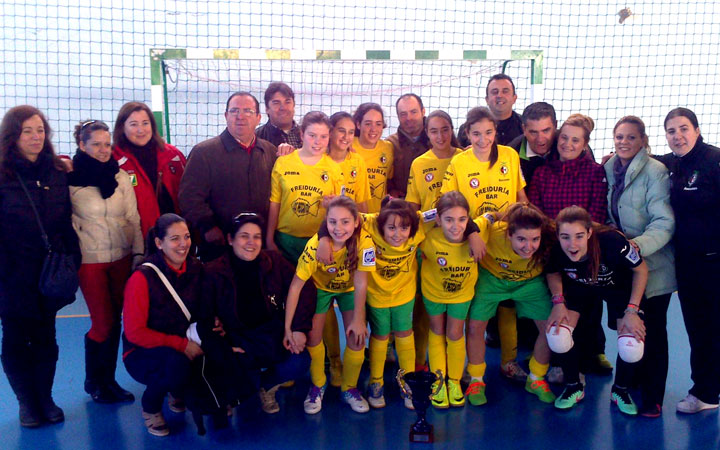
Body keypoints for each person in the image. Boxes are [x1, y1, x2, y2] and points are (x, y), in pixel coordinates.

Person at [0, 105, 80, 427]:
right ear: (13, 136)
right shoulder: (3, 175)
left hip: (49, 274)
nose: (35, 137)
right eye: (27, 131)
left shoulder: (57, 173)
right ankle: (26, 403)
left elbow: (65, 221)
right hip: (11, 276)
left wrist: (73, 258)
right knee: (16, 338)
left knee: (47, 336)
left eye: (40, 130)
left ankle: (45, 398)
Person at [441, 106, 529, 382]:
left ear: (495, 132)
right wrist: (472, 232)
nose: (483, 139)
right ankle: (470, 366)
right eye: (476, 133)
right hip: (473, 241)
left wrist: (523, 226)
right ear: (467, 134)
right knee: (474, 305)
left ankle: (509, 362)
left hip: (506, 241)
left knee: (508, 304)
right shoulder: (459, 163)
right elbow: (448, 205)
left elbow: (521, 196)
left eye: (488, 132)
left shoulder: (510, 156)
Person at [202, 212, 313, 416]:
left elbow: (304, 289)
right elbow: (204, 316)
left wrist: (298, 328)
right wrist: (223, 347)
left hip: (270, 335)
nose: (251, 243)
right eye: (244, 236)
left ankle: (267, 386)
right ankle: (237, 387)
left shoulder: (274, 262)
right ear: (230, 239)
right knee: (236, 380)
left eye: (257, 237)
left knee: (300, 360)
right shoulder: (213, 272)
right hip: (237, 340)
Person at [528, 114, 611, 378]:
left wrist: (576, 240)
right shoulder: (542, 173)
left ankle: (591, 355)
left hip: (584, 252)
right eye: (564, 137)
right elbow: (535, 212)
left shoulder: (596, 173)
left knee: (588, 306)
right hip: (552, 251)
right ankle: (556, 359)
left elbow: (596, 214)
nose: (567, 144)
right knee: (555, 305)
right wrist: (557, 236)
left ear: (585, 144)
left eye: (575, 140)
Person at [546, 206, 648, 415]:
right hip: (579, 288)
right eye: (565, 237)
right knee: (557, 335)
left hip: (618, 288)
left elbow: (641, 270)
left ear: (589, 233)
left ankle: (620, 390)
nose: (572, 244)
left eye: (579, 236)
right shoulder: (555, 248)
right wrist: (558, 302)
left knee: (631, 346)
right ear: (557, 235)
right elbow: (553, 272)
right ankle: (574, 386)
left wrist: (632, 311)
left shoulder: (612, 242)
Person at [605, 116, 675, 418]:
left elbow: (664, 221)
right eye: (619, 137)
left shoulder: (656, 172)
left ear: (643, 141)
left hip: (654, 266)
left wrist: (636, 248)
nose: (623, 142)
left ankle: (653, 396)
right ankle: (629, 382)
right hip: (622, 269)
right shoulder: (609, 168)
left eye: (631, 137)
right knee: (627, 328)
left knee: (654, 332)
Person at [69, 119, 143, 404]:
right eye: (96, 144)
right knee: (102, 323)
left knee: (117, 322)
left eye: (107, 144)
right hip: (91, 261)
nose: (103, 150)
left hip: (122, 258)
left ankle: (108, 381)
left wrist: (137, 253)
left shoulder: (121, 176)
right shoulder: (70, 178)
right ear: (81, 145)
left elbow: (133, 218)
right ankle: (94, 381)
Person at [656, 107, 720, 414]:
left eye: (683, 128)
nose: (677, 136)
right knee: (698, 328)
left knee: (708, 328)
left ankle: (707, 393)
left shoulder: (713, 161)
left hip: (713, 262)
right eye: (671, 131)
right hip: (687, 261)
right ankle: (708, 386)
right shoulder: (673, 164)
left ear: (696, 129)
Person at [284, 197, 375, 414]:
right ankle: (318, 385)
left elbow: (361, 281)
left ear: (356, 222)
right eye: (332, 222)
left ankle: (349, 387)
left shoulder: (365, 241)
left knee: (356, 336)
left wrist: (359, 319)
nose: (338, 228)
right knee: (313, 337)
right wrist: (288, 327)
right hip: (320, 288)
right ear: (326, 223)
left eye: (345, 222)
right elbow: (296, 286)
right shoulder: (315, 244)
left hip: (349, 290)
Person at [464, 202, 557, 406]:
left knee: (551, 330)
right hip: (493, 279)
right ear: (508, 234)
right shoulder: (494, 232)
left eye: (534, 239)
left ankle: (536, 378)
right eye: (521, 239)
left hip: (530, 283)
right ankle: (476, 380)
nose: (528, 246)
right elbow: (477, 222)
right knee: (474, 327)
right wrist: (475, 233)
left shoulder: (550, 238)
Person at [122, 214, 205, 436]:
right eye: (174, 239)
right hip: (141, 352)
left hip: (182, 342)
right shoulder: (142, 278)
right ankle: (151, 405)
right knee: (176, 365)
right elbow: (135, 332)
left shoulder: (195, 269)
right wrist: (180, 344)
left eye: (186, 237)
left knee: (216, 352)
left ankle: (178, 390)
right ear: (159, 243)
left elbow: (202, 308)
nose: (183, 244)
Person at [179, 91, 277, 260]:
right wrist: (208, 227)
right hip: (219, 248)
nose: (240, 116)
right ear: (226, 115)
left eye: (248, 111)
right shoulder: (204, 153)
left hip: (260, 247)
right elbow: (189, 197)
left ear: (258, 118)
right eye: (234, 111)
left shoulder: (270, 151)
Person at [406, 110, 464, 372]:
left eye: (445, 129)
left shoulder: (465, 158)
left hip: (459, 244)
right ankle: (420, 362)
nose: (440, 136)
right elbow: (412, 206)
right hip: (428, 245)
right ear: (426, 133)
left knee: (458, 310)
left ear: (452, 129)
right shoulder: (419, 163)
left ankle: (457, 368)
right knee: (424, 306)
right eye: (434, 130)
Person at [420, 192, 478, 409]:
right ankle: (438, 381)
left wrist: (474, 232)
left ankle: (454, 381)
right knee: (436, 331)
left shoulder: (477, 233)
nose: (456, 226)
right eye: (448, 219)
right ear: (438, 219)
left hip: (461, 295)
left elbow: (495, 216)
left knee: (454, 333)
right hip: (433, 293)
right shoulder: (428, 237)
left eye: (462, 220)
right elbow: (411, 219)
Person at [266, 111, 343, 263]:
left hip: (318, 241)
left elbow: (339, 210)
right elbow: (275, 203)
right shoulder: (283, 163)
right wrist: (269, 239)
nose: (317, 142)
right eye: (312, 135)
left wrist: (327, 238)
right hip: (285, 241)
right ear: (302, 135)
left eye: (323, 136)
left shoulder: (334, 169)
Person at [112, 102, 186, 237]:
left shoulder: (173, 155)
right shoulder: (114, 160)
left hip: (175, 237)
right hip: (138, 238)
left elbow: (190, 194)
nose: (141, 130)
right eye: (134, 124)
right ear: (122, 127)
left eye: (145, 123)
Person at [458, 74, 523, 147]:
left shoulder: (524, 127)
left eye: (505, 91)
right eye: (495, 92)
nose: (500, 95)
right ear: (487, 99)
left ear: (514, 98)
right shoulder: (468, 128)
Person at [352, 103, 394, 213]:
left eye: (378, 124)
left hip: (379, 216)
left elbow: (389, 180)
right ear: (358, 125)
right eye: (368, 124)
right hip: (353, 217)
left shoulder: (388, 148)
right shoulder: (348, 146)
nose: (373, 129)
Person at [387, 93, 430, 198]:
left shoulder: (438, 140)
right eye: (403, 114)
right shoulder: (390, 144)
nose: (409, 118)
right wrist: (390, 189)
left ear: (423, 112)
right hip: (401, 207)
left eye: (413, 112)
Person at [327, 112, 370, 212]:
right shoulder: (318, 159)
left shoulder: (357, 161)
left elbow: (361, 202)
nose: (346, 137)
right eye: (342, 131)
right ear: (330, 132)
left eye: (351, 132)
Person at [507, 102, 558, 183]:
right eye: (533, 132)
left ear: (555, 125)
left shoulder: (567, 147)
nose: (540, 139)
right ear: (524, 129)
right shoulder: (510, 155)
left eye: (546, 131)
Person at [255, 82, 302, 148]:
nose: (283, 108)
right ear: (267, 109)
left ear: (294, 105)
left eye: (287, 102)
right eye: (276, 103)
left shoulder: (308, 135)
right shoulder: (256, 139)